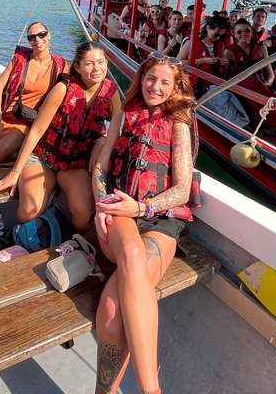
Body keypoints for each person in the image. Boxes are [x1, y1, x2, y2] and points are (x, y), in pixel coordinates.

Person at [91, 52, 199, 394]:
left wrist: (143, 207)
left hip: (158, 218)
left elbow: (182, 190)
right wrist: (100, 206)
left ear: (175, 86)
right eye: (151, 79)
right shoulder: (124, 113)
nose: (156, 86)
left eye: (165, 82)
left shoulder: (180, 121)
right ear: (142, 78)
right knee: (133, 258)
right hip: (118, 211)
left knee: (111, 312)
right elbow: (101, 169)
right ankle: (151, 388)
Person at [0, 42, 121, 232]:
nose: (96, 68)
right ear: (78, 66)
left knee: (84, 215)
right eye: (89, 63)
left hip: (75, 164)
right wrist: (15, 173)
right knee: (28, 212)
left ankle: (69, 237)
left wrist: (103, 139)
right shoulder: (63, 88)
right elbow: (36, 131)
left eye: (101, 62)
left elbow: (118, 127)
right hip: (43, 157)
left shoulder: (111, 92)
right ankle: (44, 209)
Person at [0, 23, 67, 167]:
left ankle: (29, 159)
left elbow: (67, 95)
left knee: (1, 152)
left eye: (42, 34)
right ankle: (4, 174)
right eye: (32, 37)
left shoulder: (60, 65)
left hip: (23, 121)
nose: (37, 39)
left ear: (49, 35)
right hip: (0, 115)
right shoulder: (19, 60)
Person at [177, 14, 227, 97]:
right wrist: (201, 61)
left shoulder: (220, 45)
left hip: (214, 84)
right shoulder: (191, 43)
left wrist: (224, 61)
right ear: (208, 28)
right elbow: (177, 62)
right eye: (215, 34)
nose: (218, 38)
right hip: (195, 86)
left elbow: (223, 72)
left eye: (221, 36)